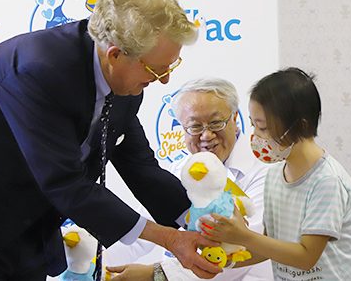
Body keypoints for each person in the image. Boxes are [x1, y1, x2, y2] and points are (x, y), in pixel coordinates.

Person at [0, 0, 221, 280]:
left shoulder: (126, 84)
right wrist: (169, 239)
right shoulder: (39, 69)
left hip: (24, 229)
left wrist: (204, 222)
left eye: (171, 66)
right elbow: (64, 182)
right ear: (115, 55)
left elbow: (141, 168)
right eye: (157, 69)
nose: (164, 80)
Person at [201, 68, 351, 280]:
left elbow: (306, 257)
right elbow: (271, 244)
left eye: (263, 128)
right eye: (252, 124)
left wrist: (243, 236)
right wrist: (229, 259)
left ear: (300, 126)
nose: (255, 136)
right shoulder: (274, 175)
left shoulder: (327, 181)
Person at [105, 78, 273, 280]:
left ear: (235, 118)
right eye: (194, 127)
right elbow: (142, 233)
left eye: (215, 123)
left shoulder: (265, 171)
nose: (206, 135)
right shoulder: (179, 171)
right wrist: (94, 261)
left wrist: (156, 275)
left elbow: (242, 253)